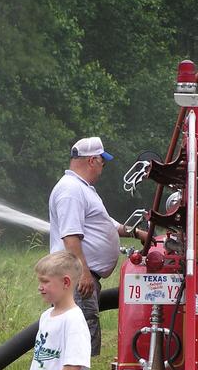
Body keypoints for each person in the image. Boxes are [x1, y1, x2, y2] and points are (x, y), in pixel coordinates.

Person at [49, 136, 147, 356]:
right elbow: (71, 237)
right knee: (77, 336)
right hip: (74, 276)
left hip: (79, 275)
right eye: (102, 162)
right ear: (92, 160)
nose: (103, 168)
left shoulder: (83, 189)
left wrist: (138, 233)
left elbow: (108, 224)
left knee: (83, 329)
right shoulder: (70, 190)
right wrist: (83, 273)